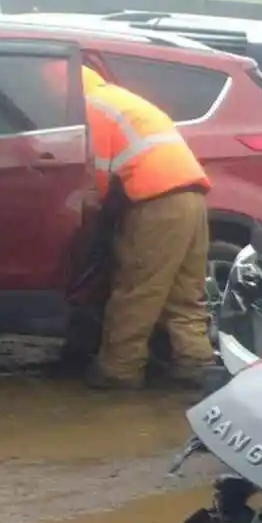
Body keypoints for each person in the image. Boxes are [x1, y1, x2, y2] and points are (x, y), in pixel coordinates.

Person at [80, 65, 214, 389]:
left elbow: (97, 170)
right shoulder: (121, 99)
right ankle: (195, 365)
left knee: (137, 290)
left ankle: (119, 371)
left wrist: (86, 211)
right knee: (184, 292)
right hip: (192, 199)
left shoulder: (91, 107)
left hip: (156, 203)